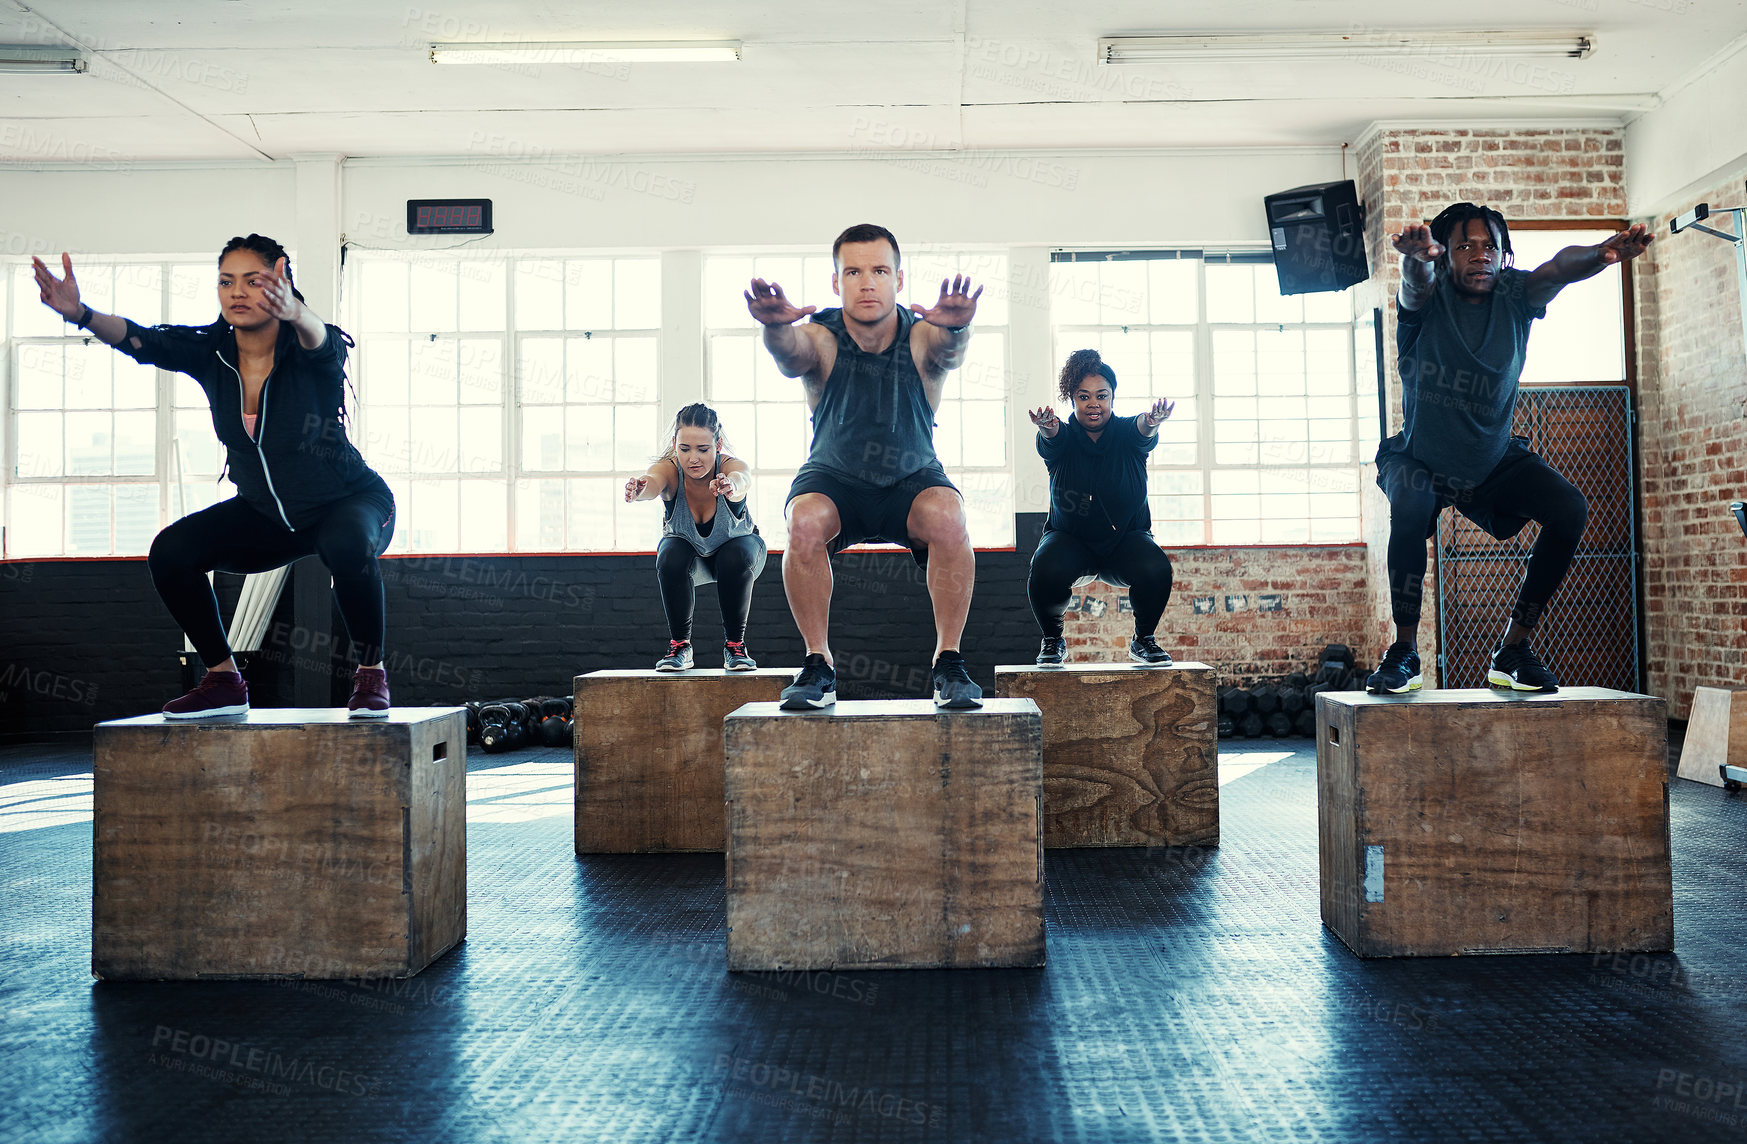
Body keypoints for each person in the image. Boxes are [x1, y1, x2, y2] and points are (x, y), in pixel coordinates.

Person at [31, 235, 396, 719]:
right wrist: (82, 314)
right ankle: (224, 679)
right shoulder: (212, 354)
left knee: (346, 545)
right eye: (226, 282)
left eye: (252, 280)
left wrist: (296, 313)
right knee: (171, 552)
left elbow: (319, 337)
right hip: (268, 515)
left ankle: (371, 674)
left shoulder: (311, 351)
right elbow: (144, 340)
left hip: (349, 503)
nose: (236, 292)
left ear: (282, 278)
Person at [1366, 203, 1652, 694]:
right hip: (1419, 457)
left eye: (1489, 247)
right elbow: (1413, 284)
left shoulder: (1516, 296)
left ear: (1504, 256)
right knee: (1410, 506)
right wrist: (1414, 259)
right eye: (1464, 246)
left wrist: (1605, 254)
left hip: (1493, 458)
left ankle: (1513, 648)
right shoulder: (1426, 302)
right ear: (1445, 257)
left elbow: (1559, 267)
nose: (1480, 256)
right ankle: (1406, 650)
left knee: (1570, 509)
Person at [745, 223, 983, 710]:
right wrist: (774, 329)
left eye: (879, 270)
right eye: (853, 271)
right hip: (836, 480)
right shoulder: (820, 335)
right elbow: (791, 356)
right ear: (837, 282)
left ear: (899, 277)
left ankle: (949, 661)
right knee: (803, 520)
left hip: (911, 482)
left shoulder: (922, 336)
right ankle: (817, 663)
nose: (867, 282)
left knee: (949, 515)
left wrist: (958, 327)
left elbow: (950, 352)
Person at [1027, 349, 1177, 668]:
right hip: (1070, 540)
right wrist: (1046, 427)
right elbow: (1050, 438)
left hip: (1126, 540)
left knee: (1157, 568)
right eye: (1084, 396)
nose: (1093, 403)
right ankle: (1053, 641)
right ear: (1073, 399)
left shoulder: (1125, 433)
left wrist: (1151, 422)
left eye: (1101, 395)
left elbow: (1142, 430)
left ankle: (1143, 640)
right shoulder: (1064, 437)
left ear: (1111, 397)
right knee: (1044, 568)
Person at [624, 403, 767, 671]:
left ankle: (735, 647)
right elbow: (653, 483)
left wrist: (730, 485)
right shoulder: (669, 469)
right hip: (693, 562)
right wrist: (640, 490)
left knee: (734, 555)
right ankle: (680, 646)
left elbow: (742, 479)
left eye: (703, 449)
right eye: (685, 449)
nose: (693, 459)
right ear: (675, 443)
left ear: (718, 444)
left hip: (741, 559)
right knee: (669, 553)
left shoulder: (730, 467)